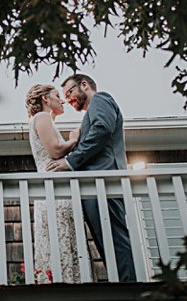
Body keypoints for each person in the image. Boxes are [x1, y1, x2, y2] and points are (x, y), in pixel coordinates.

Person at [46, 74, 138, 283]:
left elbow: (101, 130)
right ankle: (120, 283)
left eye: (69, 92)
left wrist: (70, 162)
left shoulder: (100, 99)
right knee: (105, 241)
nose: (68, 100)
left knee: (115, 239)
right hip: (96, 187)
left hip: (105, 183)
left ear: (84, 85)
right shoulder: (90, 114)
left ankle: (128, 286)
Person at [25, 84, 82, 284]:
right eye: (57, 95)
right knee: (60, 241)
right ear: (45, 99)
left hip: (55, 191)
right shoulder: (42, 117)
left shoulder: (44, 120)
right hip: (54, 192)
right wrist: (74, 140)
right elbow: (57, 150)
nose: (63, 99)